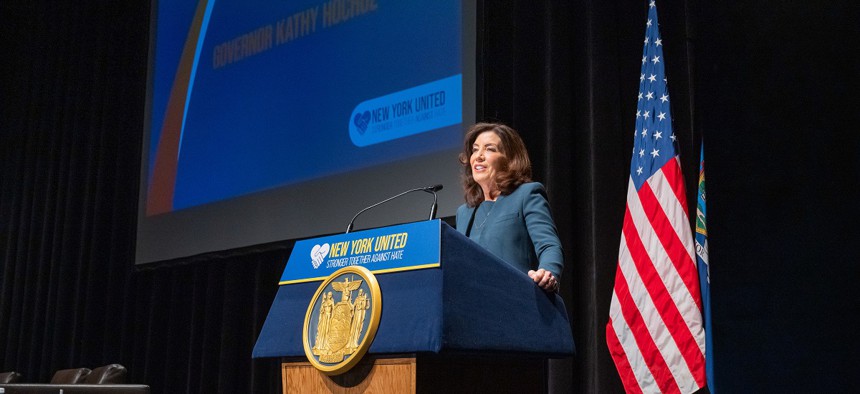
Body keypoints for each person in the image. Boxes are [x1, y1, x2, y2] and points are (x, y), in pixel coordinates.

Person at [455, 122, 563, 293]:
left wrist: (548, 273)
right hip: (473, 305)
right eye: (475, 149)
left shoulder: (526, 194)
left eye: (490, 149)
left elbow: (549, 246)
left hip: (516, 300)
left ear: (510, 160)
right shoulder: (464, 212)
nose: (479, 156)